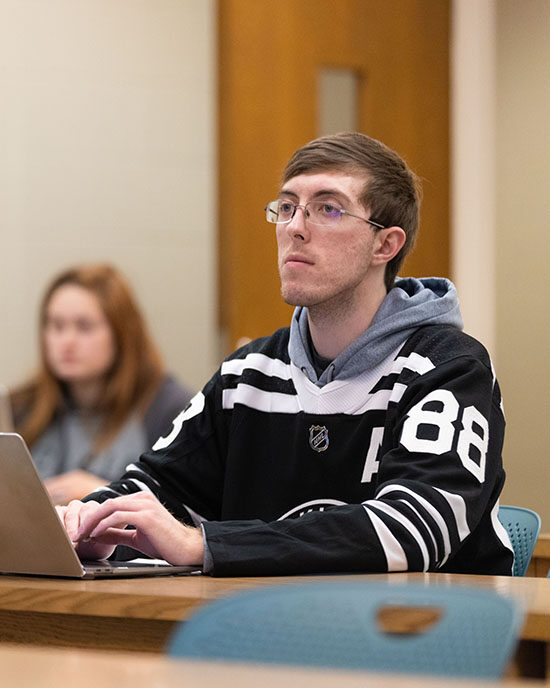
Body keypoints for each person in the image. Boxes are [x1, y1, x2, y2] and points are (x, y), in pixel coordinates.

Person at [59, 132, 514, 576]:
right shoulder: (247, 375)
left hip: (421, 637)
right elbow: (155, 488)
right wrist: (88, 524)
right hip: (268, 635)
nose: (295, 227)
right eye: (288, 207)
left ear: (385, 245)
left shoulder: (447, 367)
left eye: (327, 209)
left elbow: (408, 531)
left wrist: (205, 544)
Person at [10, 264, 193, 505]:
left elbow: (189, 516)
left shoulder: (168, 407)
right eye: (56, 325)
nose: (67, 341)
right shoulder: (22, 405)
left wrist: (104, 492)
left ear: (122, 335)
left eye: (84, 327)